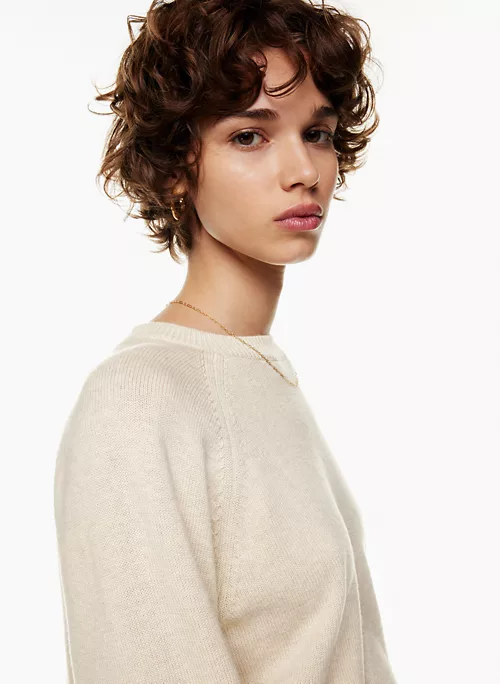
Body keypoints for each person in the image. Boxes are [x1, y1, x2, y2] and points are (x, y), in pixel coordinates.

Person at [53, 0, 397, 682]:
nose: (303, 170)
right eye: (249, 136)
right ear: (175, 167)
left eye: (318, 133)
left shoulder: (258, 369)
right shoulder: (138, 401)